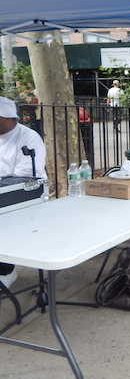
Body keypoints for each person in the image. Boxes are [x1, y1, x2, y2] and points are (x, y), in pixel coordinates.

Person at [0, 96, 48, 289]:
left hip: (22, 196)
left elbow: (27, 175)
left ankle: (6, 270)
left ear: (6, 117)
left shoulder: (28, 138)